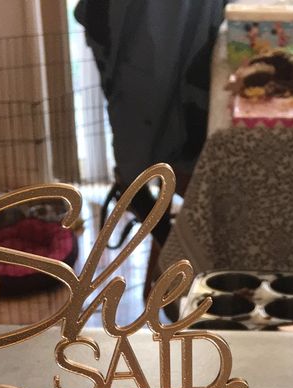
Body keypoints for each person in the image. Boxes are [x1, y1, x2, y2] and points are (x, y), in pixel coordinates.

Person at [75, 0, 225, 243]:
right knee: (142, 127)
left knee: (145, 137)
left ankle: (169, 241)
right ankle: (168, 241)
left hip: (159, 52)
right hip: (142, 51)